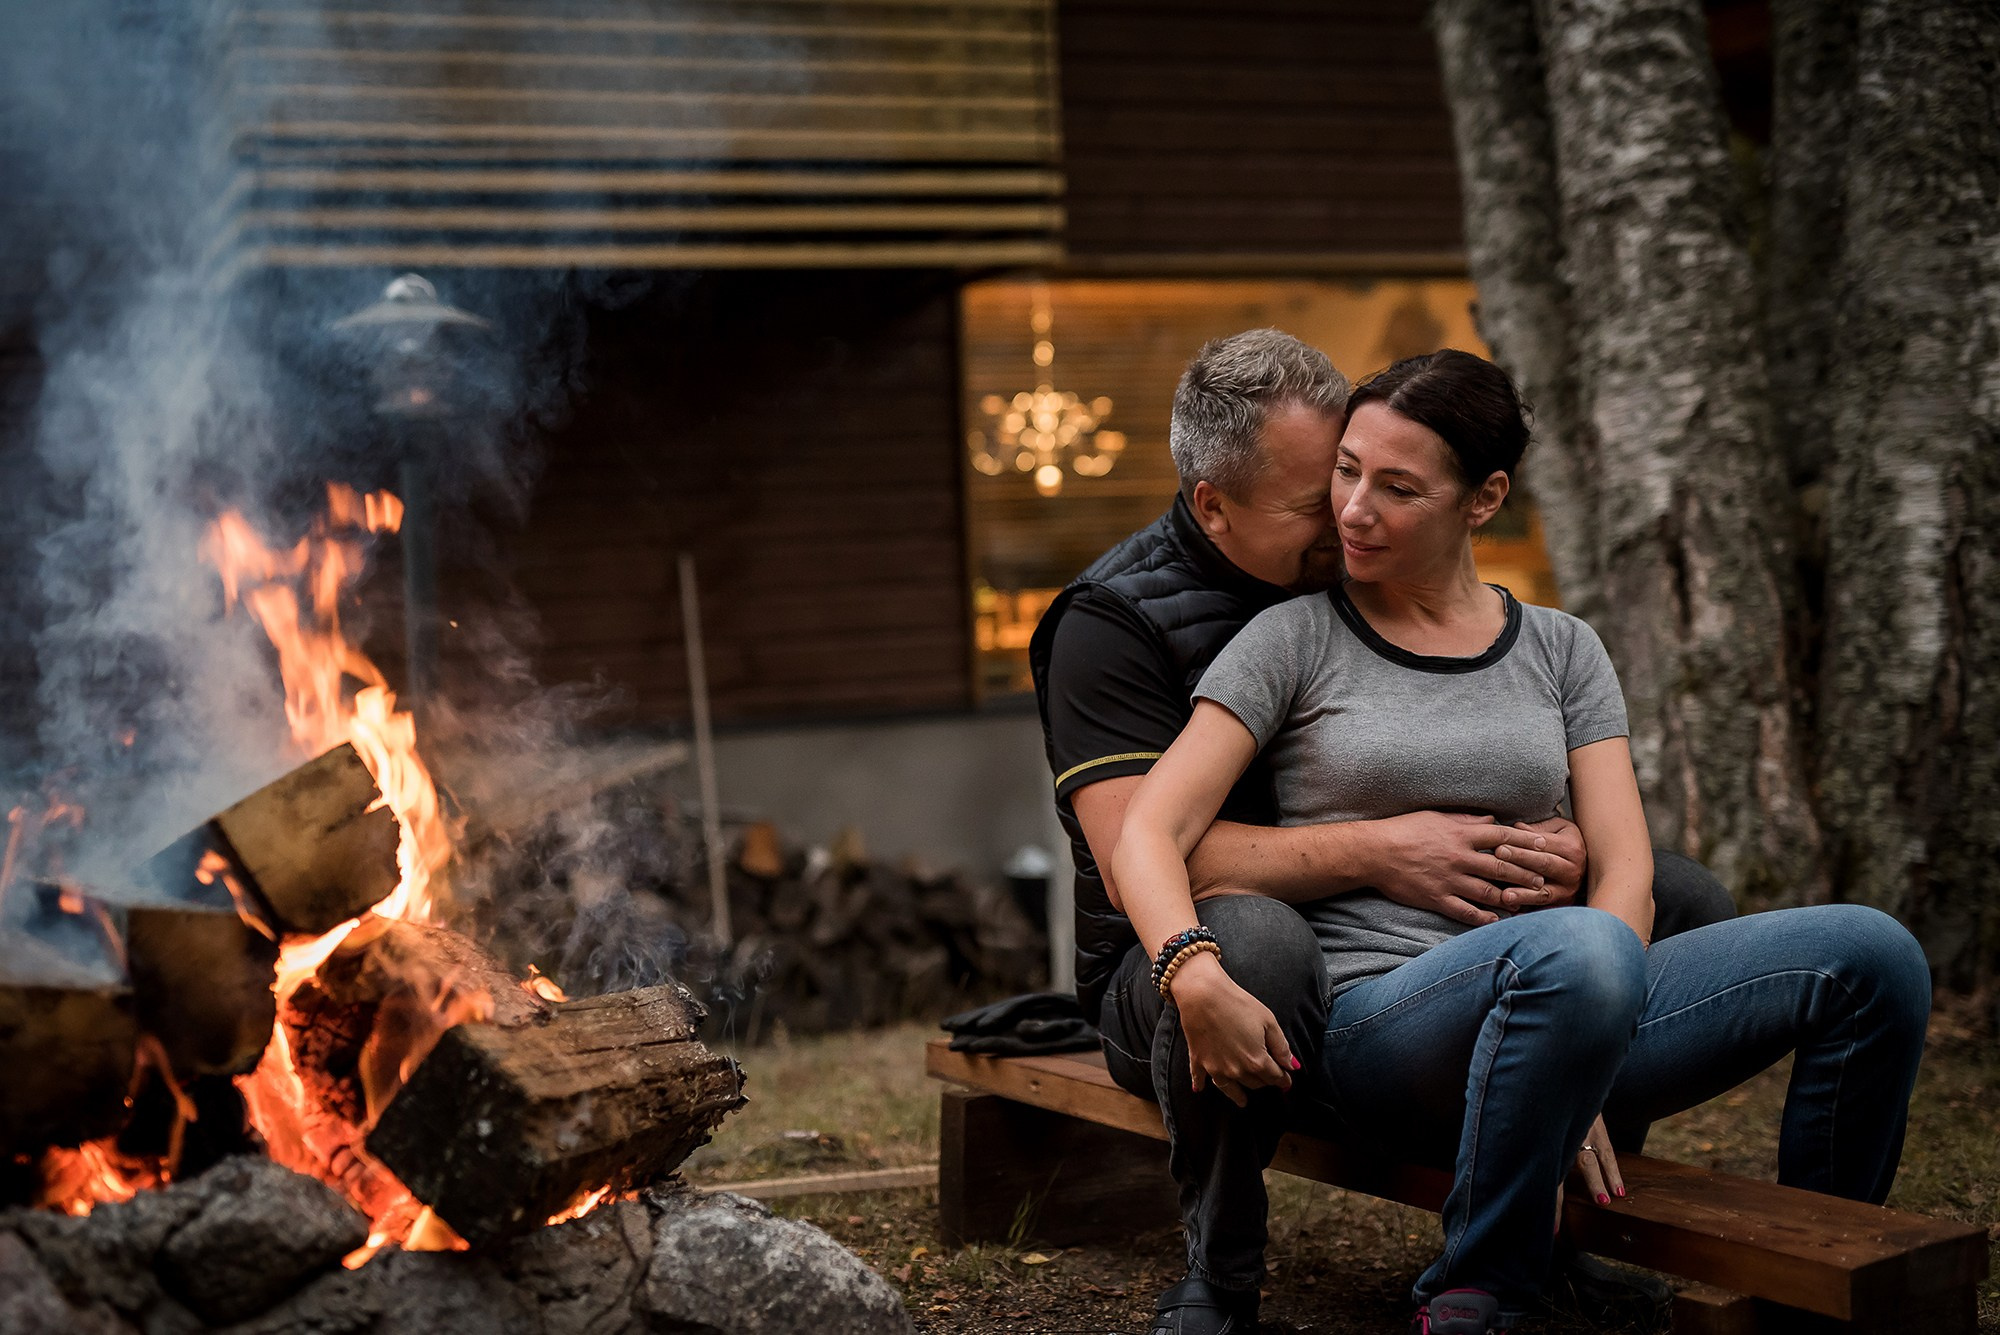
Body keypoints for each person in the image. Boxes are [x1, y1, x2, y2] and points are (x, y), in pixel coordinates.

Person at [1111, 348, 1931, 1335]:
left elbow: (1622, 864)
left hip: (1567, 987)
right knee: (1575, 947)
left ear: (1482, 498)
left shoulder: (1559, 646)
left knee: (1869, 954)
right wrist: (1188, 965)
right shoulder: (1292, 639)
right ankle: (1476, 1293)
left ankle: (1817, 1291)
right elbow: (1151, 830)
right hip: (1383, 1024)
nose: (1354, 509)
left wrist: (1572, 1050)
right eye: (1346, 471)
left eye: (1396, 487)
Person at [1029, 329, 1735, 1335]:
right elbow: (1140, 849)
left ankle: (1564, 1216)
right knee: (1255, 939)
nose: (1349, 518)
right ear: (1212, 505)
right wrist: (1382, 848)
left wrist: (1558, 845)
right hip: (1170, 958)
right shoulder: (1111, 626)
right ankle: (1217, 1276)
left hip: (1375, 941)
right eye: (1319, 498)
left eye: (1361, 479)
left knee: (1677, 895)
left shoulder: (1341, 577)